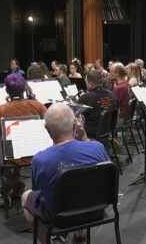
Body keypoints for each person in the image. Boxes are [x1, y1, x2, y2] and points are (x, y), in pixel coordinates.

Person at [22, 103, 109, 244]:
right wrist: (85, 138)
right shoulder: (97, 148)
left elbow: (39, 192)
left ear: (46, 128)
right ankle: (80, 234)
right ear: (75, 123)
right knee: (82, 183)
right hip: (96, 212)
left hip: (59, 219)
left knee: (26, 196)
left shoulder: (40, 160)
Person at [0, 73, 47, 198]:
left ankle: (11, 185)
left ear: (6, 91)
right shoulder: (37, 105)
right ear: (25, 89)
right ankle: (16, 185)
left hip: (12, 157)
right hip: (37, 152)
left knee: (2, 150)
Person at [78, 70, 118, 139]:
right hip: (108, 130)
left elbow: (75, 115)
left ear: (90, 84)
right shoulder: (113, 95)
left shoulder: (86, 97)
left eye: (86, 82)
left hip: (91, 133)